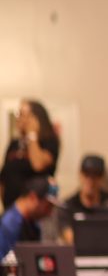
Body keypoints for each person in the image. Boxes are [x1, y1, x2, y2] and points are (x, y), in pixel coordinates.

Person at [1, 99, 60, 243]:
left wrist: (32, 135)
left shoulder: (49, 141)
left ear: (36, 118)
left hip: (38, 216)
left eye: (22, 114)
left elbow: (38, 164)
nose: (19, 119)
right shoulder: (14, 144)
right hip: (13, 213)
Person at [57, 154, 108, 244]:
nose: (90, 180)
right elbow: (70, 237)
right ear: (80, 175)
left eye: (95, 176)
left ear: (102, 177)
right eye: (86, 175)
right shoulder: (67, 206)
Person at [0, 176, 57, 258]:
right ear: (32, 198)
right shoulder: (8, 224)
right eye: (48, 206)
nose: (49, 213)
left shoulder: (33, 223)